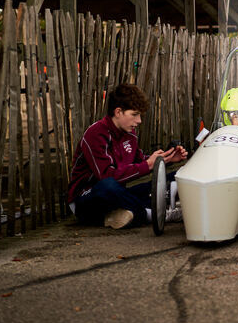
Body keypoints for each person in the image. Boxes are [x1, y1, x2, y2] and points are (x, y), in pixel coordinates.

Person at [67, 83, 187, 229]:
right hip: (86, 199)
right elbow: (107, 175)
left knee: (179, 175)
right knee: (108, 185)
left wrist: (166, 159)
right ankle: (152, 214)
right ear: (118, 112)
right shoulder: (95, 134)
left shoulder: (129, 134)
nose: (139, 121)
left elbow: (140, 160)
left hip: (120, 195)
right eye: (134, 115)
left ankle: (125, 214)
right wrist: (148, 164)